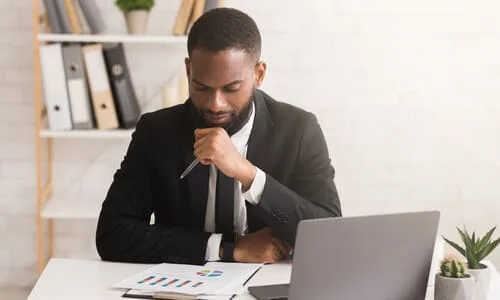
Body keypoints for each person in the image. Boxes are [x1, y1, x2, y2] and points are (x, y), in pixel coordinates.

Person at [95, 7, 341, 265]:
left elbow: (331, 236)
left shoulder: (299, 130)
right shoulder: (156, 131)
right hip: (184, 284)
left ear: (258, 74)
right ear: (189, 70)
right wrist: (226, 249)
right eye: (201, 87)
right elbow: (112, 234)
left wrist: (248, 174)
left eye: (231, 88)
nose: (215, 104)